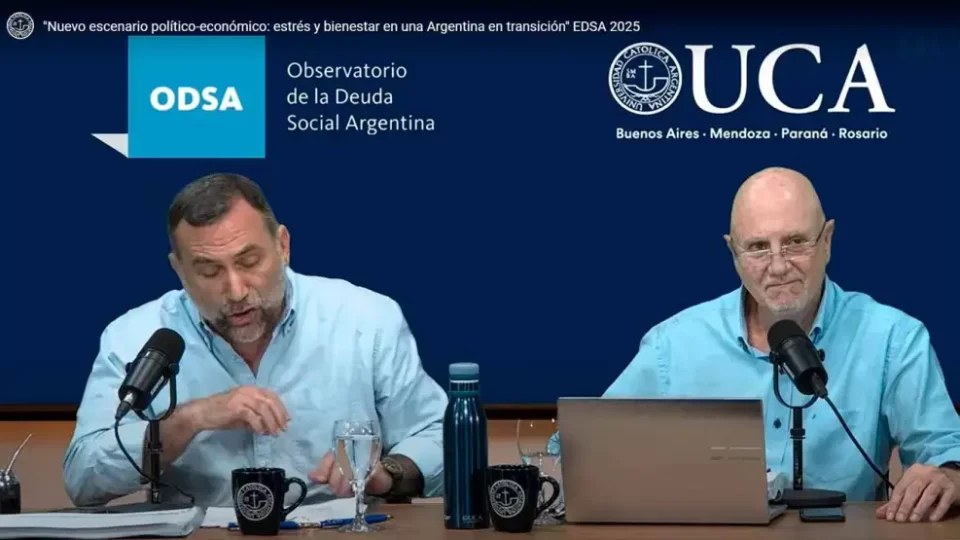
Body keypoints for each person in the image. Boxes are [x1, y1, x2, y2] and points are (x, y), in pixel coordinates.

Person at [551, 167, 960, 523]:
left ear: (828, 241)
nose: (778, 266)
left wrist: (948, 476)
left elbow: (947, 450)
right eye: (758, 247)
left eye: (795, 242)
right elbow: (579, 451)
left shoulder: (893, 337)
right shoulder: (672, 345)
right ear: (733, 253)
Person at [63, 173, 447, 508]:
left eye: (249, 262)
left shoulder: (366, 320)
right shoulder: (133, 337)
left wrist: (385, 473)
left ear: (283, 246)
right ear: (178, 269)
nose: (236, 290)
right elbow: (83, 480)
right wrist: (189, 420)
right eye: (209, 271)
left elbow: (439, 438)